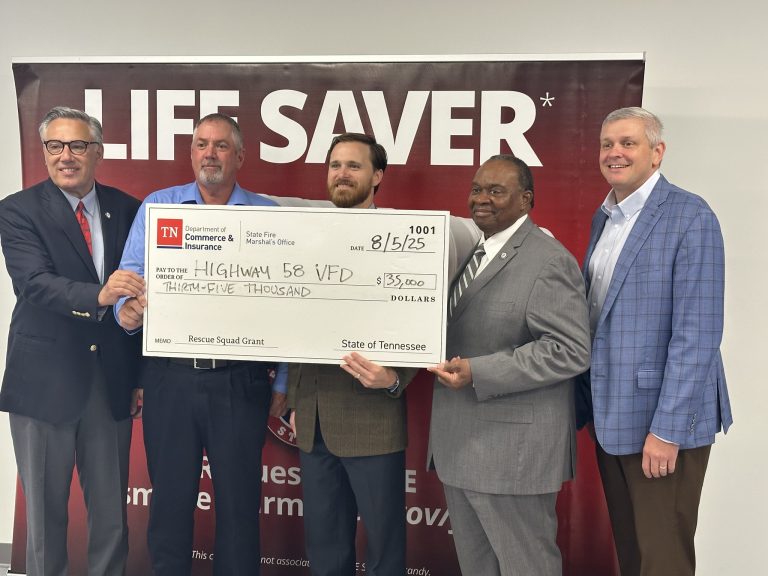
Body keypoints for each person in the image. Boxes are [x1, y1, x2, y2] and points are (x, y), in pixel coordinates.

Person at [115, 113, 287, 576]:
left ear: (240, 157)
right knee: (169, 503)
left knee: (238, 505)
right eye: (201, 144)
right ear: (191, 153)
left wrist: (285, 377)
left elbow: (289, 302)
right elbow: (130, 282)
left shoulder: (268, 216)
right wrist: (125, 312)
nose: (209, 153)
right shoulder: (158, 207)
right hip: (169, 378)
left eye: (221, 146)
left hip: (239, 380)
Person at [577, 107, 733, 576]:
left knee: (663, 560)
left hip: (661, 426)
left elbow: (698, 333)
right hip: (612, 416)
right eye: (607, 144)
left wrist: (668, 430)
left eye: (628, 143)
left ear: (657, 152)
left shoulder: (690, 216)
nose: (615, 153)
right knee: (633, 553)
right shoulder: (604, 218)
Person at [428, 155, 591, 576]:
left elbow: (570, 349)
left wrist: (479, 372)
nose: (482, 199)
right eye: (477, 189)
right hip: (458, 447)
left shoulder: (548, 260)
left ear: (526, 200)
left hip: (512, 457)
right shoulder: (469, 252)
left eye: (496, 191)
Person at [0, 106, 144, 576]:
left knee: (110, 517)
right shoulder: (17, 210)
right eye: (55, 146)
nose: (66, 156)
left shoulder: (128, 208)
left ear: (97, 152)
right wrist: (101, 295)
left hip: (110, 381)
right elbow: (34, 283)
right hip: (43, 383)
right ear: (44, 153)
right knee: (44, 516)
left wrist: (139, 374)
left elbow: (142, 291)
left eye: (77, 145)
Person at [287, 133, 418, 576]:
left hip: (373, 418)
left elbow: (421, 320)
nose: (341, 174)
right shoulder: (304, 241)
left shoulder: (404, 244)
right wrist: (295, 398)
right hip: (313, 418)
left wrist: (396, 378)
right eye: (334, 165)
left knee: (384, 549)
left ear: (377, 176)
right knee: (324, 547)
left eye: (354, 166)